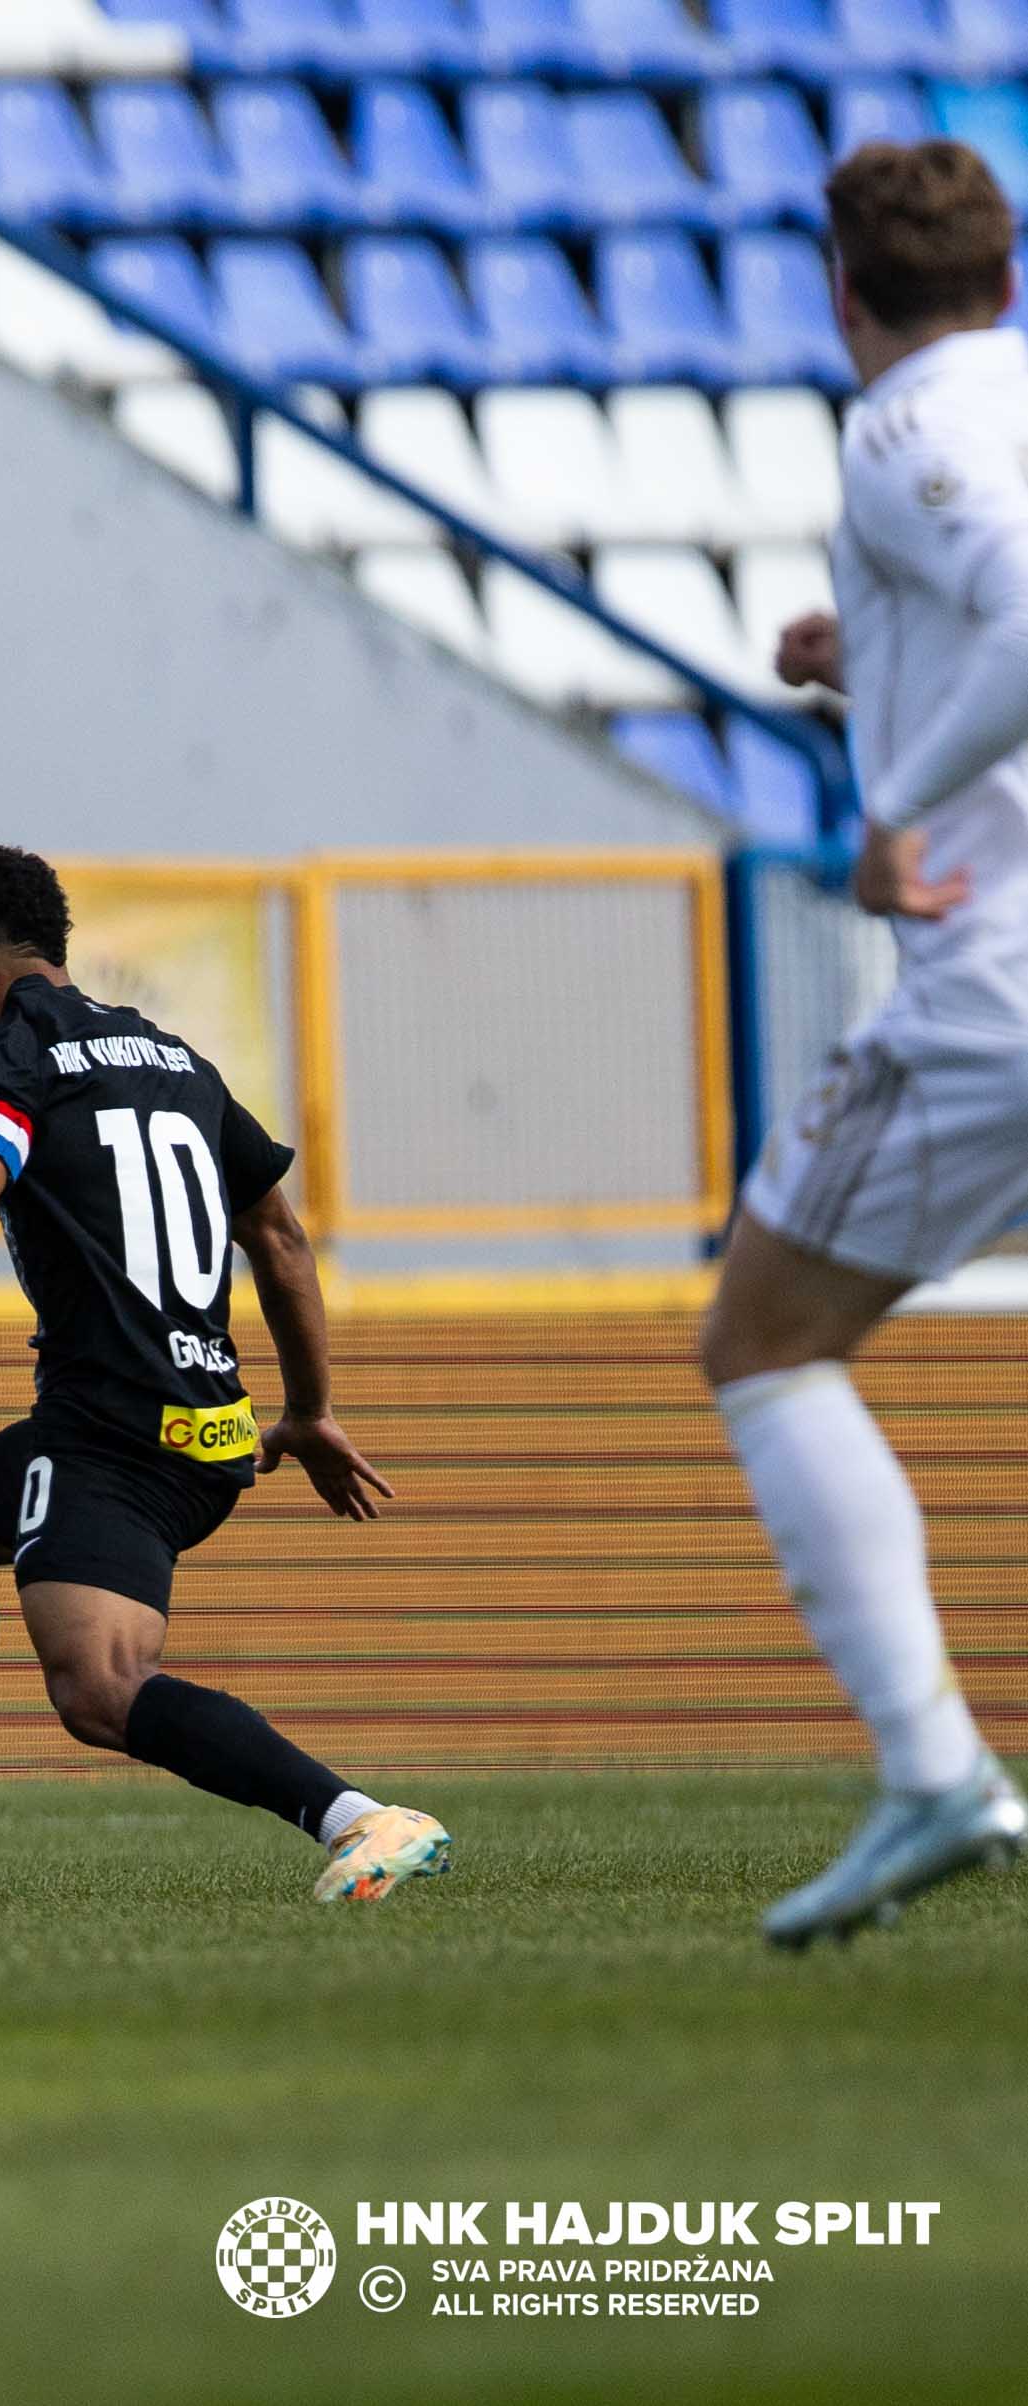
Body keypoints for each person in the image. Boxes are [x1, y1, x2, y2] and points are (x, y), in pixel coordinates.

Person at [0, 843, 451, 1907]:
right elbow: (283, 1239)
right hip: (203, 1420)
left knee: (101, 1690)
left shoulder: (1, 1068)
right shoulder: (172, 1060)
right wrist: (307, 1410)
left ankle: (363, 1819)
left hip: (120, 1435)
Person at [723, 139, 1028, 1949]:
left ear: (840, 289)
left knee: (761, 1338)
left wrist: (888, 793)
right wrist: (883, 654)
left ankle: (926, 1768)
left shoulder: (896, 424)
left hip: (990, 992)